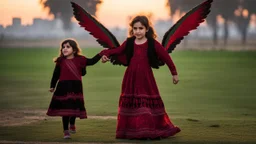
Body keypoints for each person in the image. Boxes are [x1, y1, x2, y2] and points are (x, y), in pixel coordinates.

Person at [99, 15, 180, 140]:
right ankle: (134, 131)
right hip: (130, 78)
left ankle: (147, 131)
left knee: (145, 106)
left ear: (147, 29)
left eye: (141, 28)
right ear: (132, 29)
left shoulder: (153, 44)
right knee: (133, 105)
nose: (138, 31)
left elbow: (166, 57)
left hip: (146, 78)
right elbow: (117, 51)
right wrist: (105, 55)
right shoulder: (129, 42)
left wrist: (174, 73)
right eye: (135, 28)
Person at [47, 38, 102, 139]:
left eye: (68, 47)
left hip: (76, 87)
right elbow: (56, 74)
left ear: (75, 50)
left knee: (74, 107)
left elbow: (92, 61)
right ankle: (66, 131)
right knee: (65, 110)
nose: (65, 49)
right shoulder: (60, 61)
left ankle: (72, 123)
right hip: (63, 87)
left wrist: (101, 54)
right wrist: (52, 86)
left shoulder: (80, 59)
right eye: (63, 47)